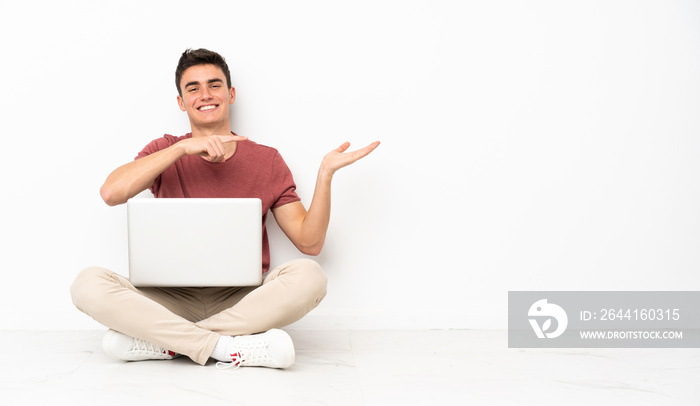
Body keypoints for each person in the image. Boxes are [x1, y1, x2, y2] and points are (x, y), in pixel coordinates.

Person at [70, 48, 380, 369]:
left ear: (230, 94)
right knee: (87, 284)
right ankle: (225, 346)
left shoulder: (266, 159)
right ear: (181, 102)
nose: (205, 94)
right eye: (193, 88)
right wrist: (181, 148)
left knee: (310, 277)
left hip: (242, 299)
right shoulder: (165, 150)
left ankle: (169, 342)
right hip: (169, 299)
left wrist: (325, 174)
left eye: (214, 85)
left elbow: (310, 243)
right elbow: (111, 192)